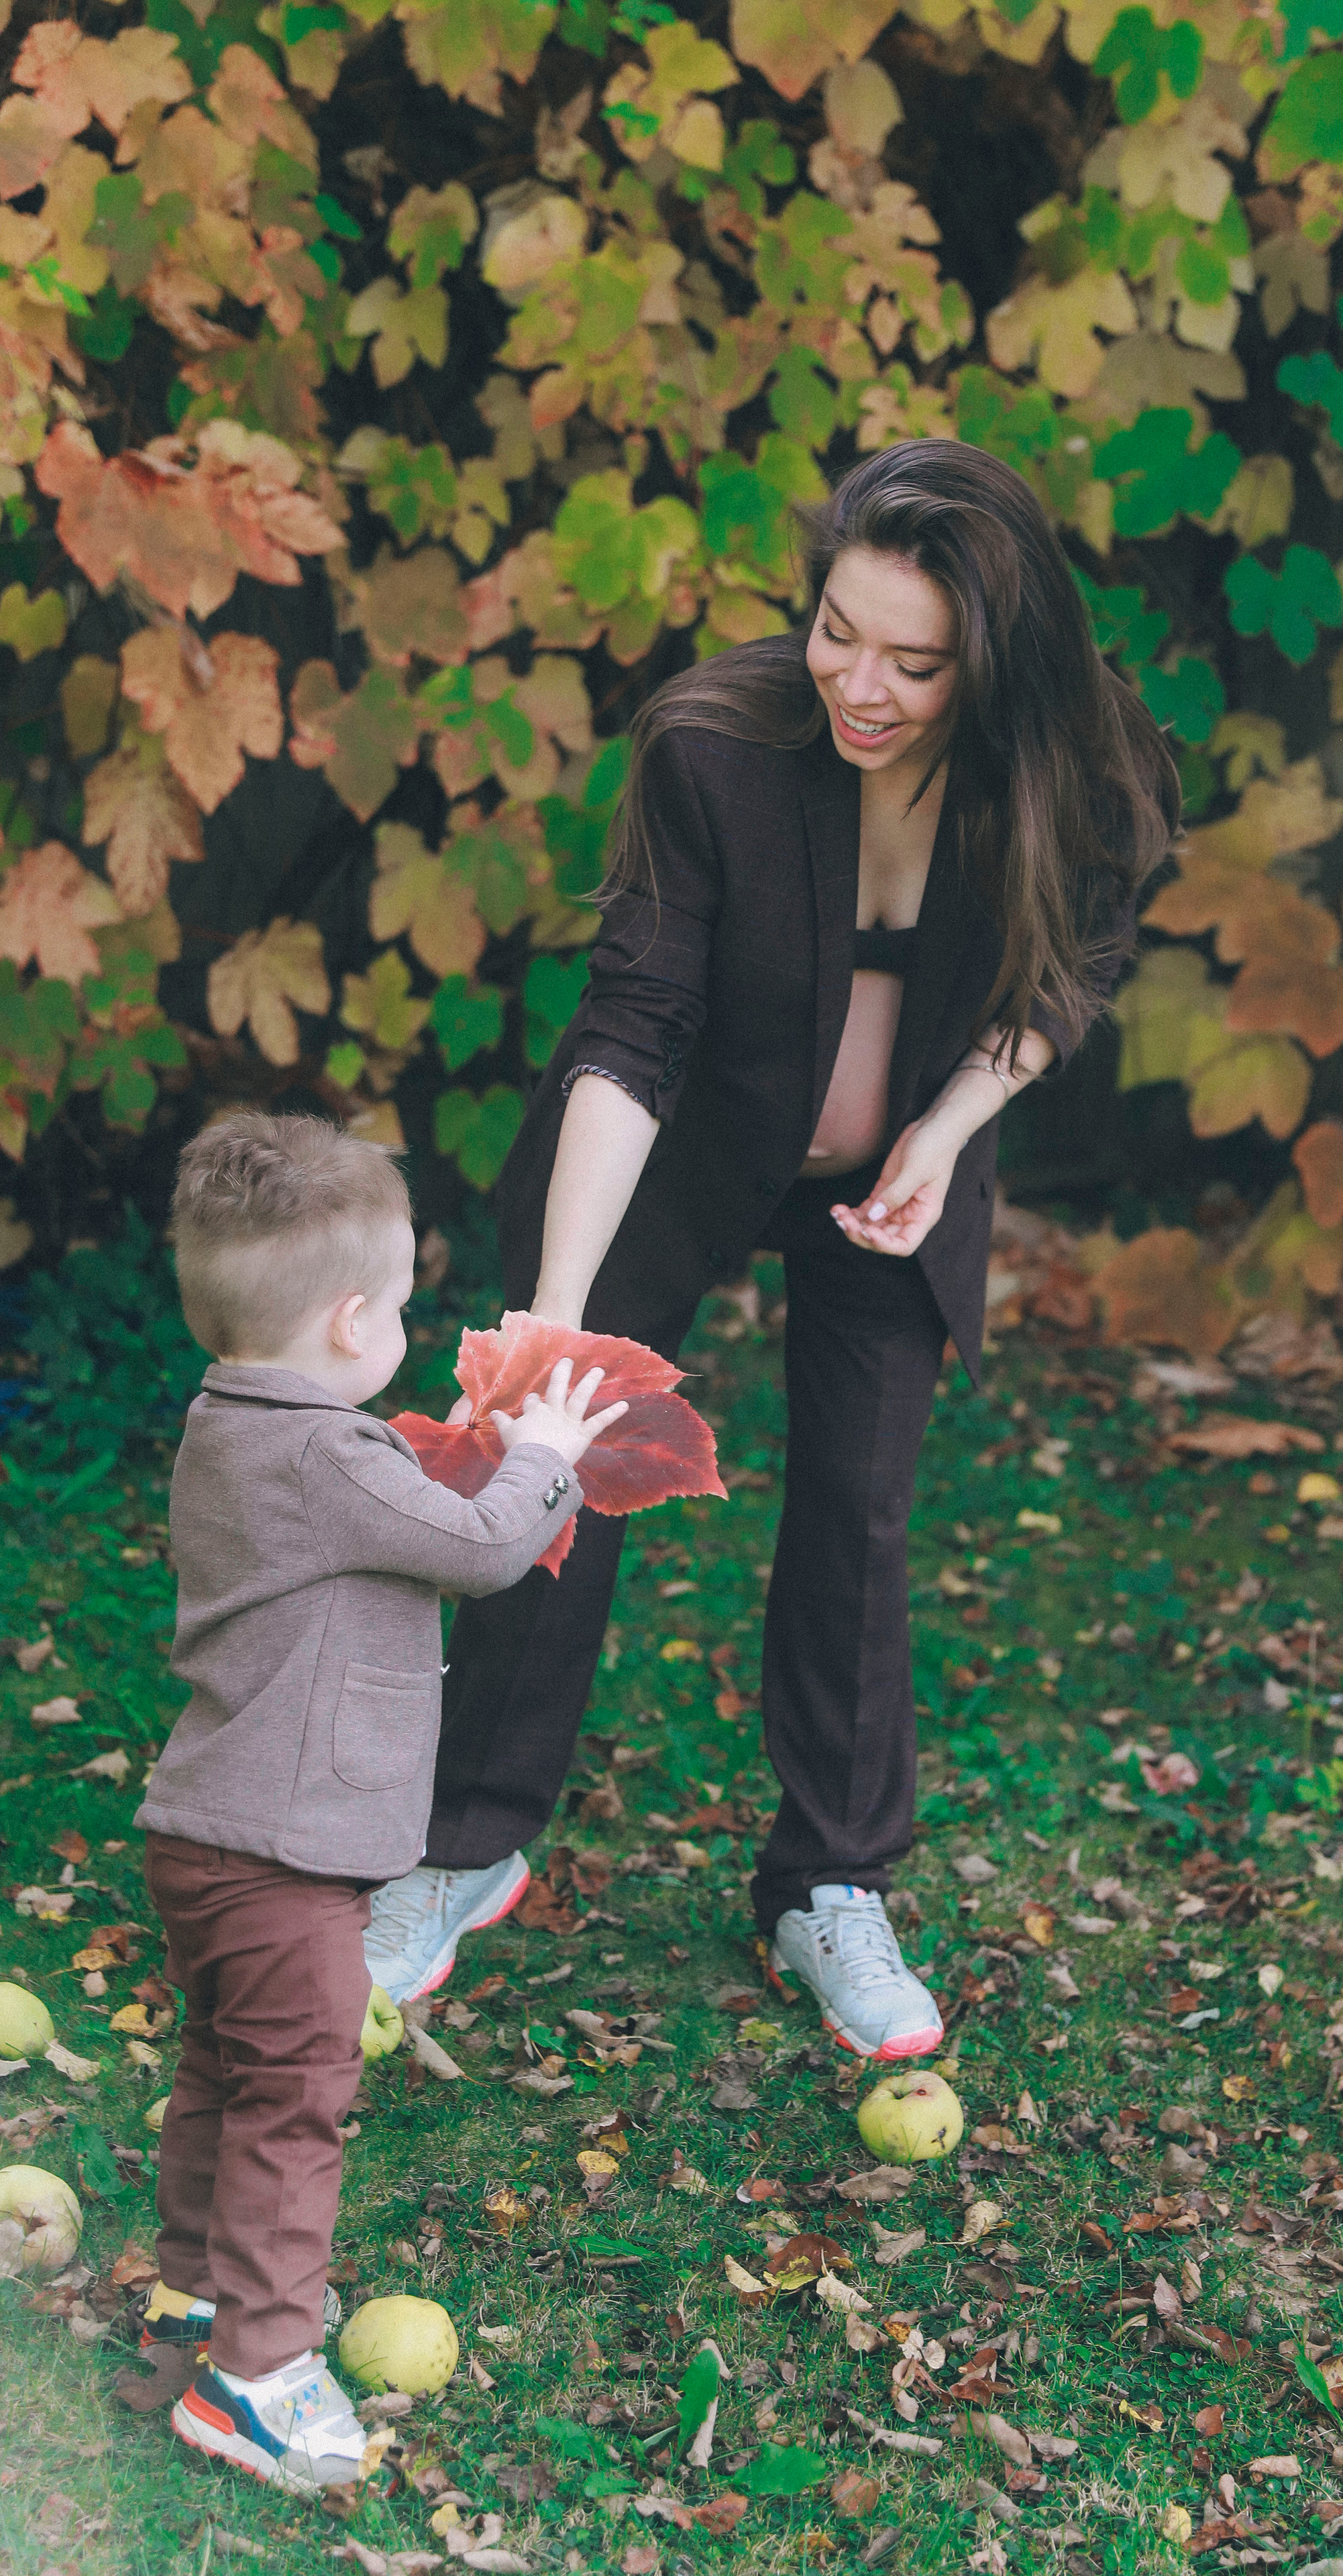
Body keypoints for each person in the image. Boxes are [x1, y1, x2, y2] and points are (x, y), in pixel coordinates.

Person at [364, 439, 1179, 2055]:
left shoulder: (1079, 771)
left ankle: (829, 1883)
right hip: (677, 1146)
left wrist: (941, 1136)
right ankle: (461, 1847)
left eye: (913, 660)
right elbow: (636, 1026)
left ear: (994, 666)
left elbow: (1067, 968)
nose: (857, 685)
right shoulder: (715, 747)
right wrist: (558, 1319)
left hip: (896, 1167)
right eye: (835, 630)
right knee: (550, 1467)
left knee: (859, 1507)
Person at [135, 1112, 624, 2490]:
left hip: (206, 1833)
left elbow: (389, 1514)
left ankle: (194, 2292)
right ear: (354, 1322)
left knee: (223, 2076)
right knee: (296, 2105)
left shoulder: (229, 1424)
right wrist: (543, 1451)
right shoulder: (331, 1459)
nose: (409, 1324)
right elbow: (478, 1548)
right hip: (289, 1857)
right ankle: (259, 2377)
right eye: (403, 1305)